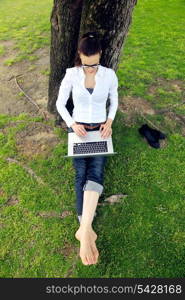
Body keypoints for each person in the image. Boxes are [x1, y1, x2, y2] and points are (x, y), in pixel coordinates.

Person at [56, 31, 118, 266]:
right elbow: (60, 104)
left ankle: (83, 231)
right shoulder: (71, 75)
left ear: (100, 55)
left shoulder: (109, 75)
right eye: (86, 64)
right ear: (80, 56)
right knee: (81, 173)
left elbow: (114, 99)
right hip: (79, 130)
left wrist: (110, 121)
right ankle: (85, 232)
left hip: (100, 129)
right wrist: (73, 123)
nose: (91, 69)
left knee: (97, 171)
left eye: (95, 64)